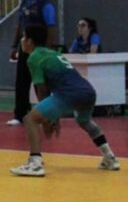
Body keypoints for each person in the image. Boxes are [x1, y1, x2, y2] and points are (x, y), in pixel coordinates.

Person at [9, 24, 119, 177]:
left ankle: (35, 164)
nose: (21, 40)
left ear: (30, 41)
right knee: (85, 121)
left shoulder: (34, 57)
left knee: (30, 119)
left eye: (23, 37)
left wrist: (48, 118)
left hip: (69, 94)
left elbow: (41, 89)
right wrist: (52, 116)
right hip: (87, 91)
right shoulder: (51, 53)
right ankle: (110, 157)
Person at [9, 0, 56, 126]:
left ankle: (46, 114)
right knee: (21, 82)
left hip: (39, 50)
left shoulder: (46, 6)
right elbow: (19, 25)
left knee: (40, 83)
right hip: (25, 48)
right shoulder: (24, 4)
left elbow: (51, 29)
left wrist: (46, 51)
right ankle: (20, 114)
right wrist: (15, 45)